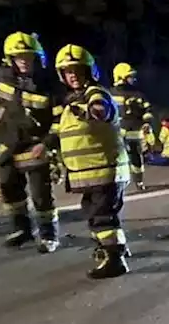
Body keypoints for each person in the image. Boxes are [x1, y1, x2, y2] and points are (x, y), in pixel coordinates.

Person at [43, 44, 132, 279]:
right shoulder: (67, 104)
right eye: (67, 71)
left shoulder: (96, 93)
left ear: (88, 71)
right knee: (96, 215)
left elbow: (102, 110)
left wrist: (94, 110)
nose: (72, 75)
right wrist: (45, 149)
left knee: (102, 217)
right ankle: (110, 250)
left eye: (77, 70)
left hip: (105, 171)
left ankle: (115, 260)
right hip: (89, 174)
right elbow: (57, 134)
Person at [0, 31, 62, 253]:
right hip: (8, 144)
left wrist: (46, 144)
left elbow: (59, 120)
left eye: (28, 57)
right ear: (10, 59)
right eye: (19, 57)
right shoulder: (0, 80)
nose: (24, 61)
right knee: (9, 188)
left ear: (37, 58)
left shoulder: (48, 85)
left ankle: (48, 235)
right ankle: (22, 229)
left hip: (35, 145)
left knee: (40, 194)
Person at [110, 63, 153, 191]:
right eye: (130, 76)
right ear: (121, 77)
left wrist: (146, 123)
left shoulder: (138, 94)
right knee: (115, 159)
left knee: (136, 157)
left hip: (134, 130)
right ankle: (115, 182)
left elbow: (148, 110)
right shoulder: (110, 93)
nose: (133, 79)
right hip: (116, 131)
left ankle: (139, 181)